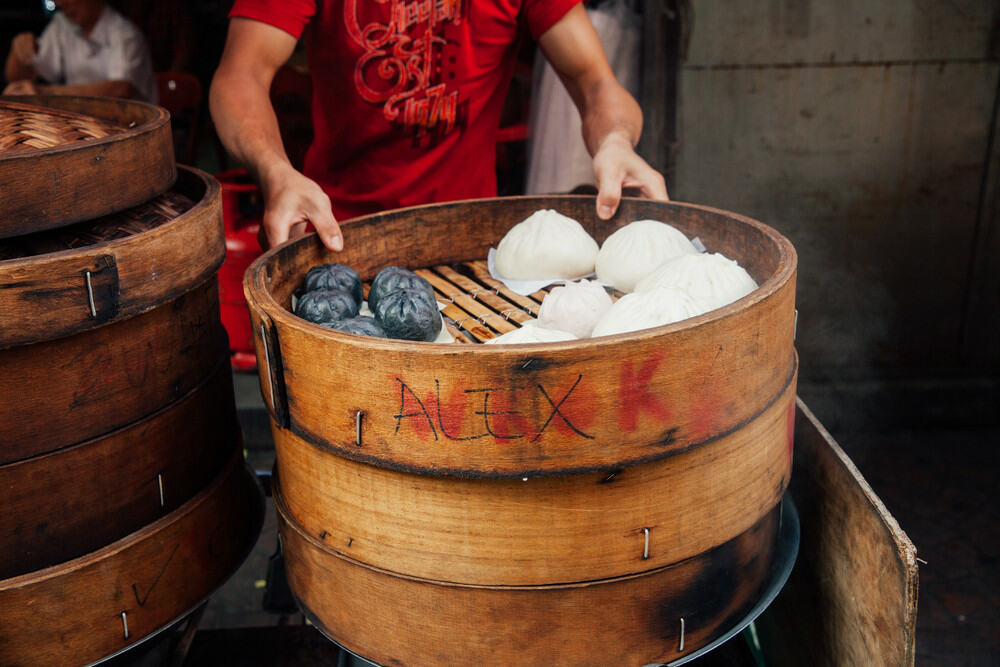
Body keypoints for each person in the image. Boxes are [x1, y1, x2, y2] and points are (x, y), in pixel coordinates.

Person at [210, 0, 668, 252]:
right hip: (337, 237)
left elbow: (595, 82)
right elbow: (240, 75)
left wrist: (615, 142)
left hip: (470, 243)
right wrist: (276, 170)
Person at [3, 0, 156, 103]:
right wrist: (18, 52)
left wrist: (45, 93)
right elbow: (19, 78)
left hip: (132, 132)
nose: (60, 3)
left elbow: (121, 90)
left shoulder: (125, 34)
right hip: (83, 130)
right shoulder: (62, 24)